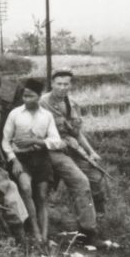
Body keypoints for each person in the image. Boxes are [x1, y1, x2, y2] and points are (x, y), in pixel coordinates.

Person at [2, 79, 65, 245]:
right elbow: (5, 141)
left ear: (39, 97)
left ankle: (44, 237)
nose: (26, 99)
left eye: (30, 96)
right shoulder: (15, 114)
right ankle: (35, 231)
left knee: (42, 195)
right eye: (24, 96)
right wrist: (13, 160)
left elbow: (56, 141)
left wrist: (36, 142)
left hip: (41, 157)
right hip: (21, 159)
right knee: (25, 188)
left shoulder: (46, 116)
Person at [40, 68, 108, 214]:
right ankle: (84, 221)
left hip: (73, 148)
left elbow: (77, 133)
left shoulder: (73, 104)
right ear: (52, 83)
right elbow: (38, 131)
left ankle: (99, 214)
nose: (63, 88)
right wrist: (63, 140)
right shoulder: (43, 103)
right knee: (79, 180)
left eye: (66, 84)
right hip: (53, 149)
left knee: (96, 176)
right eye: (59, 84)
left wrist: (91, 152)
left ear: (70, 85)